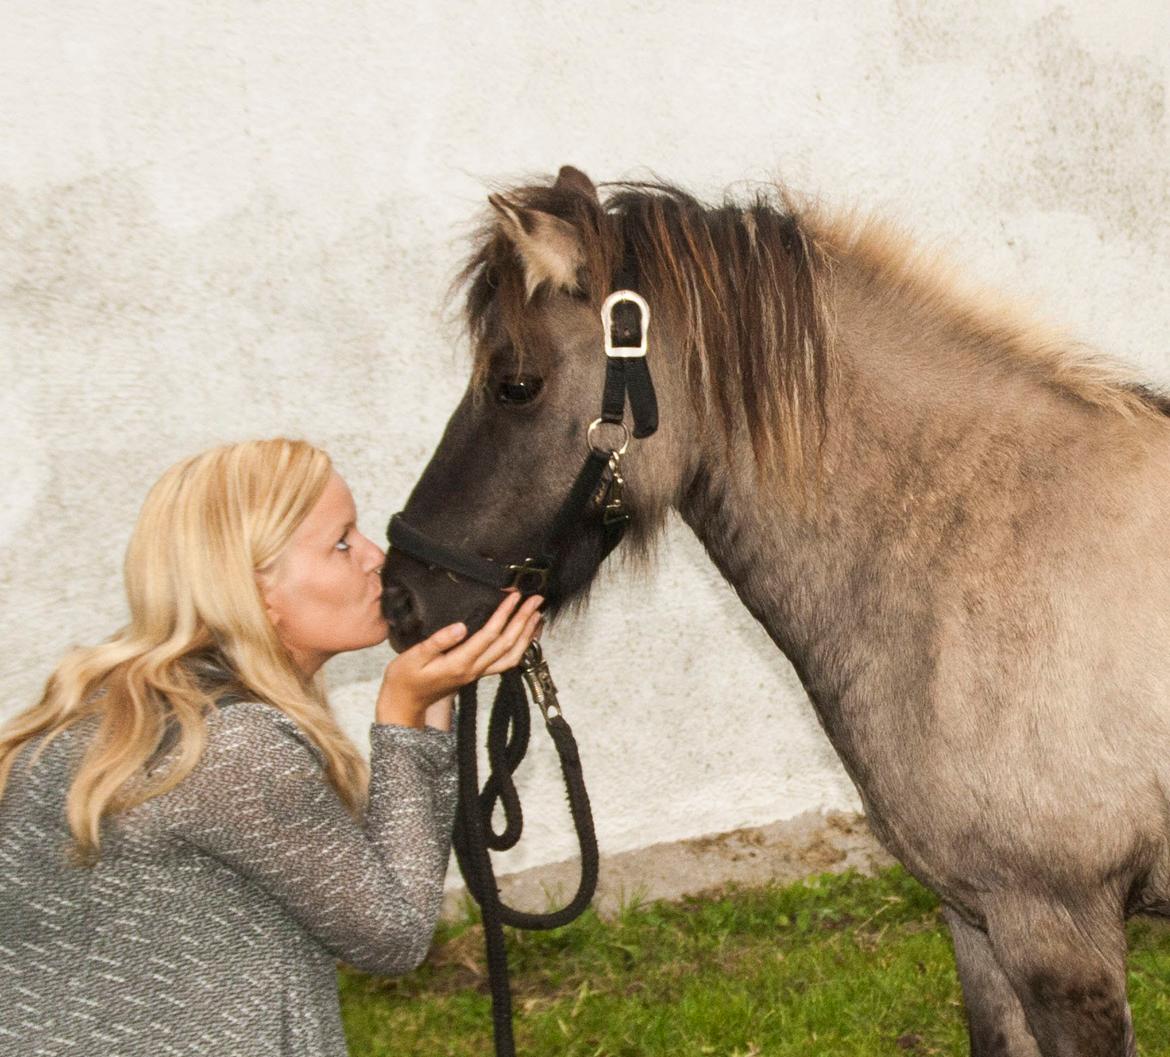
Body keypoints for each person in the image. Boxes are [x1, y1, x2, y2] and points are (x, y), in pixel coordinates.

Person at [0, 438, 543, 1056]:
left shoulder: (90, 721)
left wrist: (434, 689)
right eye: (342, 542)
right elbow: (392, 937)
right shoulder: (235, 748)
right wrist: (407, 714)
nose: (375, 558)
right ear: (254, 588)